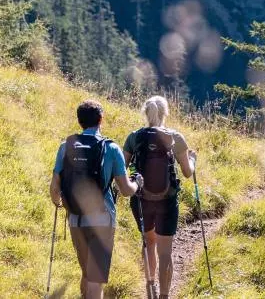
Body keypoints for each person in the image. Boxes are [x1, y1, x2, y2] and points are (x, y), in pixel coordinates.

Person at [50, 100, 142, 299]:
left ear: (79, 121)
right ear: (101, 120)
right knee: (95, 279)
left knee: (86, 273)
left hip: (75, 218)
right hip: (102, 219)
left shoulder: (66, 146)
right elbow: (126, 190)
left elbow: (54, 189)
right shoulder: (111, 148)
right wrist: (137, 184)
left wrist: (63, 204)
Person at [124, 96, 196, 299]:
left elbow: (122, 168)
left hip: (141, 200)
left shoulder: (134, 137)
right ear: (165, 113)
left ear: (145, 114)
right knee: (165, 252)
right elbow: (187, 172)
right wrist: (192, 160)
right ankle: (164, 295)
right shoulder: (175, 137)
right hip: (167, 201)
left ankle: (150, 286)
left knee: (148, 242)